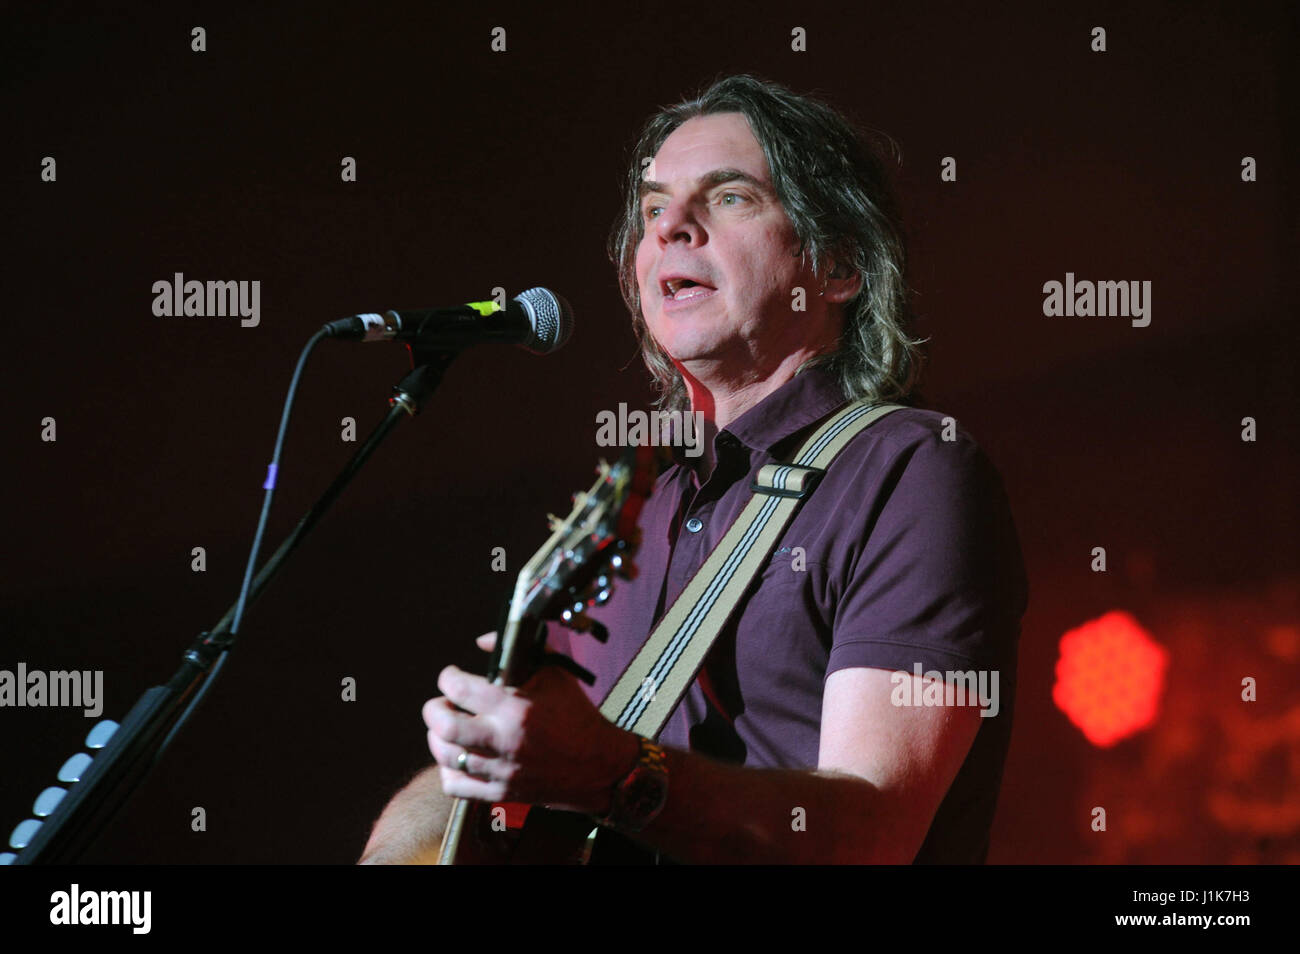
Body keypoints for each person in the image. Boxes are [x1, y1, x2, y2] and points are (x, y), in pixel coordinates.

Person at [360, 74, 1028, 865]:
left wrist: (615, 776)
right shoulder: (638, 510)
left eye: (730, 197)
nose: (672, 225)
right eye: (652, 209)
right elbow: (507, 766)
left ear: (840, 263)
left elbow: (873, 833)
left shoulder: (909, 469)